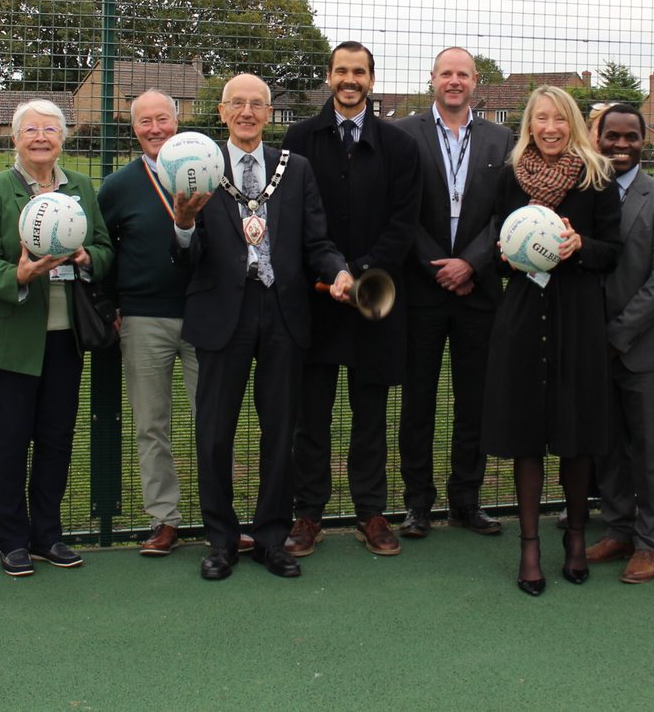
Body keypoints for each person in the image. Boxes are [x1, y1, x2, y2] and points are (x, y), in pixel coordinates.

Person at [171, 73, 353, 581]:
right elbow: (190, 255)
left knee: (281, 433)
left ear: (269, 114)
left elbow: (317, 240)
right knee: (213, 435)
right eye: (237, 104)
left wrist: (336, 270)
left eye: (257, 105)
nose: (247, 112)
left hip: (283, 311)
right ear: (223, 112)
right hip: (222, 313)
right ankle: (222, 541)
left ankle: (272, 538)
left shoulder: (295, 170)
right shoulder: (200, 170)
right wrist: (184, 226)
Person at [0, 99, 112, 576]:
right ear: (14, 137)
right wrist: (19, 274)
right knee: (9, 440)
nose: (42, 137)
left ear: (63, 138)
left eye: (51, 129)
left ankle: (48, 534)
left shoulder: (82, 188)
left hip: (64, 338)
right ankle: (11, 539)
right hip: (9, 340)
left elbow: (107, 249)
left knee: (56, 438)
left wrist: (87, 258)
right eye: (31, 130)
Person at [282, 43, 420, 557]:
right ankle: (307, 515)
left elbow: (403, 226)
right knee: (310, 416)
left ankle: (371, 512)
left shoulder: (398, 146)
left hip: (375, 301)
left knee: (370, 414)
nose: (349, 79)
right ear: (328, 76)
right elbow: (292, 221)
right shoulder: (298, 141)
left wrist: (356, 272)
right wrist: (331, 271)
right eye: (341, 70)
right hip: (315, 301)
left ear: (371, 78)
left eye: (358, 72)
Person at [481, 85, 620, 596]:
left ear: (574, 124)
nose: (551, 128)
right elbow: (497, 252)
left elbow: (614, 251)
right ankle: (530, 546)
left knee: (576, 434)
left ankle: (577, 538)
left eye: (560, 119)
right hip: (523, 314)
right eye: (542, 119)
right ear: (530, 124)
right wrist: (505, 252)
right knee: (526, 434)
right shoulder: (509, 178)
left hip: (577, 315)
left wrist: (581, 246)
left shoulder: (596, 177)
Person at [98, 89, 240, 558]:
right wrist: (111, 302)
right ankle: (164, 520)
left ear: (178, 121)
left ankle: (221, 519)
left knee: (213, 422)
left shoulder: (214, 173)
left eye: (163, 118)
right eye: (145, 121)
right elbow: (103, 251)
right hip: (143, 318)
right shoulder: (119, 186)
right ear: (132, 125)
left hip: (206, 315)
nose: (155, 128)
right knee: (151, 424)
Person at [393, 47, 513, 538]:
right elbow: (399, 209)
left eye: (463, 74)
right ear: (432, 79)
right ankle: (418, 504)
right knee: (418, 401)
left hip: (478, 290)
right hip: (422, 290)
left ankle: (467, 499)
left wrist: (472, 263)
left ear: (475, 82)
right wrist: (436, 264)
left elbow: (506, 214)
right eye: (447, 73)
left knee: (475, 400)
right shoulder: (404, 133)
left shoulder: (502, 138)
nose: (455, 81)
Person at [585, 104, 654, 584]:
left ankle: (651, 542)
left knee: (651, 450)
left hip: (647, 350)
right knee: (608, 446)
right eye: (612, 136)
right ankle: (619, 527)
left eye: (631, 137)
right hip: (592, 347)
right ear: (597, 138)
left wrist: (617, 335)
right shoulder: (583, 192)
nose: (621, 145)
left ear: (645, 142)